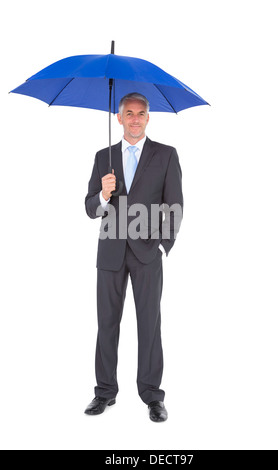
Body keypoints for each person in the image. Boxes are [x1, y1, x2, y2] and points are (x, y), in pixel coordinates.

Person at [84, 93, 183, 422]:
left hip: (147, 253)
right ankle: (104, 392)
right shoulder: (103, 157)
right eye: (129, 113)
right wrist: (103, 194)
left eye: (141, 113)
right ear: (119, 117)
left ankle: (152, 395)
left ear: (148, 118)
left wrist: (162, 245)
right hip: (110, 252)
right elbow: (89, 208)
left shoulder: (166, 155)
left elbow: (175, 205)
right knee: (107, 324)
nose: (136, 119)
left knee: (149, 325)